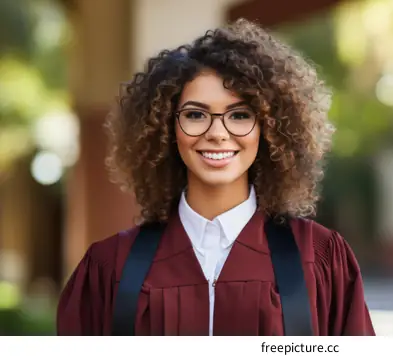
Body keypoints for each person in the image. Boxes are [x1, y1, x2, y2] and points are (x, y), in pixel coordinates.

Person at [56, 18, 375, 336]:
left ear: (269, 128)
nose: (217, 134)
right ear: (167, 128)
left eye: (239, 115)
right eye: (195, 115)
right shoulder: (110, 267)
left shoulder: (320, 258)